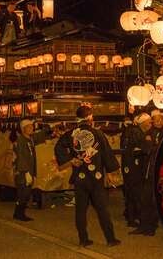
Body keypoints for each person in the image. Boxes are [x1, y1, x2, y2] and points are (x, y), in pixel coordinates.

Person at [55, 106, 120, 248]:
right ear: (90, 117)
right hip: (96, 177)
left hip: (80, 177)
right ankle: (110, 239)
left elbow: (58, 147)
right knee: (102, 209)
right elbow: (107, 154)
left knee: (80, 210)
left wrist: (71, 160)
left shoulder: (71, 134)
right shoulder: (98, 133)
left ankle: (83, 239)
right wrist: (110, 172)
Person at [12, 119, 50, 221]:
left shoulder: (30, 139)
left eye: (31, 126)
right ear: (23, 129)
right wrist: (25, 172)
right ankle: (19, 214)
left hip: (29, 170)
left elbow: (39, 136)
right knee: (23, 193)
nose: (31, 128)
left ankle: (18, 213)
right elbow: (21, 157)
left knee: (26, 193)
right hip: (22, 171)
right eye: (28, 127)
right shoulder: (20, 140)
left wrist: (48, 129)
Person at [131, 112, 160, 236]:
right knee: (145, 199)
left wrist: (143, 148)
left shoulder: (153, 133)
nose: (151, 123)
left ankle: (149, 227)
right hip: (147, 169)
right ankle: (145, 226)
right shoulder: (148, 133)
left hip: (151, 170)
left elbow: (148, 149)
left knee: (149, 199)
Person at [122, 113, 150, 229]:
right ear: (143, 123)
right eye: (149, 122)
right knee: (134, 192)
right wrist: (148, 143)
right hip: (133, 166)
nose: (150, 124)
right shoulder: (136, 132)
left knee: (131, 191)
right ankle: (132, 218)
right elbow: (144, 149)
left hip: (129, 165)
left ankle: (130, 215)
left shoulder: (133, 131)